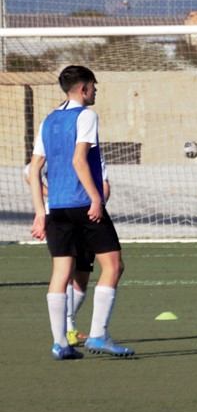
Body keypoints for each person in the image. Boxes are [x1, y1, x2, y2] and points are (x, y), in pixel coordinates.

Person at [29, 65, 133, 360]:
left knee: (61, 272)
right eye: (93, 86)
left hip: (57, 209)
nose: (96, 91)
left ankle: (60, 343)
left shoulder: (48, 120)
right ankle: (98, 335)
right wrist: (95, 199)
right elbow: (79, 160)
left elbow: (34, 169)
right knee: (113, 266)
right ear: (84, 88)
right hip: (82, 204)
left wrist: (40, 213)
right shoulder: (86, 116)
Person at [24, 160, 112, 347]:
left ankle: (68, 325)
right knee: (66, 270)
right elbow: (29, 173)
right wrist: (51, 196)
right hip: (61, 214)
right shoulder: (52, 150)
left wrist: (98, 204)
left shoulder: (95, 153)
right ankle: (67, 329)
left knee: (82, 276)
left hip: (88, 216)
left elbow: (104, 184)